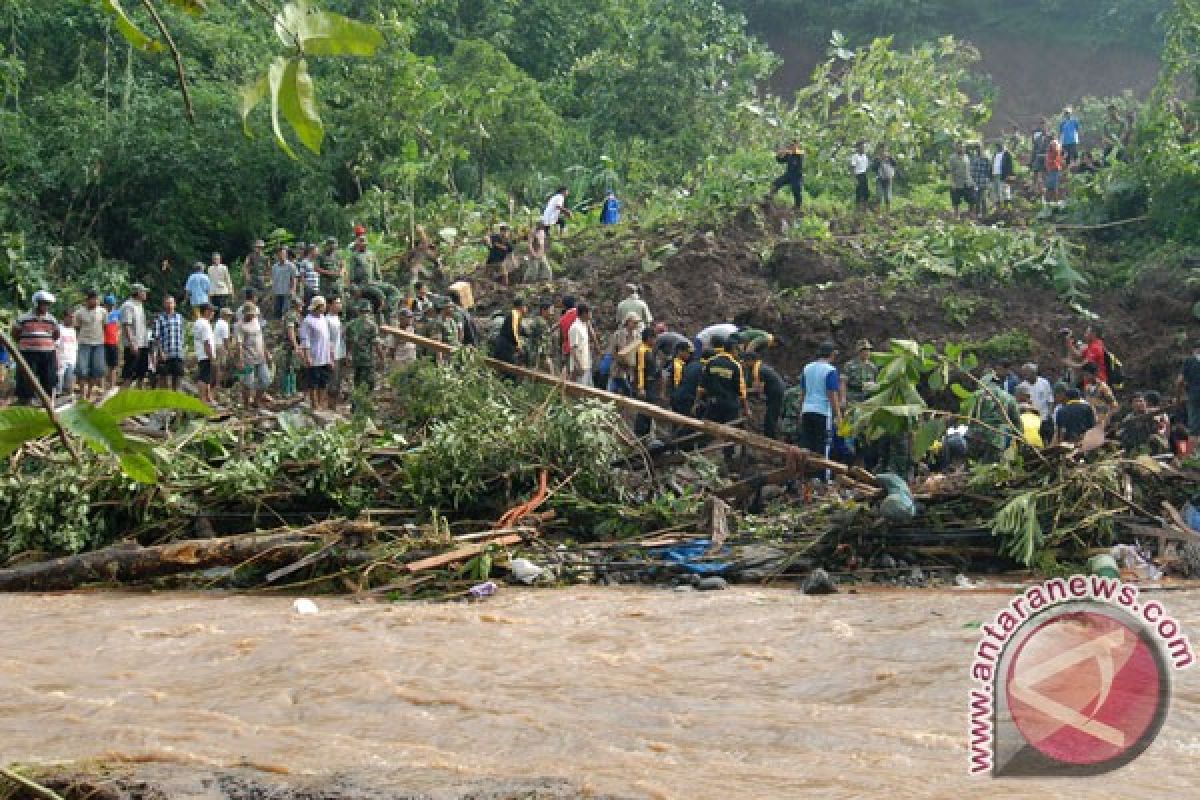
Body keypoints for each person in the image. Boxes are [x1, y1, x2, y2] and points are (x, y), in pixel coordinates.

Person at [797, 341, 843, 466]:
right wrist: (838, 416)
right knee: (823, 447)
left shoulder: (807, 368)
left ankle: (806, 476)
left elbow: (803, 392)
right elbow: (831, 394)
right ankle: (822, 478)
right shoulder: (830, 370)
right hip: (822, 412)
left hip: (807, 410)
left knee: (807, 445)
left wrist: (800, 411)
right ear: (832, 354)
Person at [12, 291, 60, 404]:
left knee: (48, 378)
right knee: (26, 378)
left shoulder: (52, 319)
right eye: (43, 303)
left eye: (47, 304)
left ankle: (47, 403)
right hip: (28, 353)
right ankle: (25, 401)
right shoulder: (23, 318)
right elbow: (15, 333)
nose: (46, 306)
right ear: (37, 303)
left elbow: (56, 335)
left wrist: (45, 342)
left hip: (47, 353)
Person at [967, 369, 1021, 461]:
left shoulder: (976, 395)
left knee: (973, 466)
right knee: (992, 468)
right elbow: (1016, 421)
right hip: (997, 438)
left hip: (976, 437)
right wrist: (1020, 439)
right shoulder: (1008, 398)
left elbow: (969, 417)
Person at [699, 335, 749, 424]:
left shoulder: (711, 362)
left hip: (713, 404)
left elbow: (702, 387)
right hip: (730, 405)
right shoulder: (735, 365)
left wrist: (696, 402)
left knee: (710, 431)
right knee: (731, 433)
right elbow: (741, 391)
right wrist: (746, 409)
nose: (738, 352)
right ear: (733, 349)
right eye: (737, 349)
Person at [343, 299, 382, 409]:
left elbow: (348, 341)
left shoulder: (351, 324)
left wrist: (348, 355)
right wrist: (382, 358)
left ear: (359, 311)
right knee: (369, 383)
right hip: (367, 360)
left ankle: (355, 407)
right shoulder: (372, 325)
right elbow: (376, 344)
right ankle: (363, 406)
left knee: (357, 382)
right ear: (369, 311)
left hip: (356, 359)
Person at [299, 296, 333, 411]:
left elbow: (327, 339)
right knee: (313, 382)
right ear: (319, 307)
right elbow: (305, 340)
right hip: (314, 356)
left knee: (323, 381)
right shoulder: (308, 321)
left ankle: (320, 403)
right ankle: (314, 404)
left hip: (324, 356)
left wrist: (330, 356)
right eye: (323, 306)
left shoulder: (323, 318)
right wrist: (307, 356)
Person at [234, 302, 270, 409]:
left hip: (260, 357)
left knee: (266, 380)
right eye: (250, 314)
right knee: (248, 383)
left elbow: (261, 338)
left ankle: (256, 400)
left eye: (253, 314)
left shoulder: (256, 321)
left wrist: (266, 352)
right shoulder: (239, 326)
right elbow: (239, 344)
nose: (252, 316)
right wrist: (240, 360)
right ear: (245, 314)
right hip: (247, 358)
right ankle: (246, 406)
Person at [744, 351, 787, 440]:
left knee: (770, 418)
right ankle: (770, 436)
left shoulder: (759, 370)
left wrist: (743, 391)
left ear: (751, 361)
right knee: (771, 416)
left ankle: (771, 439)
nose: (744, 364)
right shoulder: (760, 367)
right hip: (775, 392)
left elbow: (758, 389)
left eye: (745, 361)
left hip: (776, 393)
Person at [73, 289, 107, 401]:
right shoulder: (79, 312)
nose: (95, 301)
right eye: (93, 299)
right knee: (82, 370)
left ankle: (89, 394)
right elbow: (77, 328)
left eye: (97, 299)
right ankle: (82, 395)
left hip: (98, 343)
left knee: (96, 370)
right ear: (87, 300)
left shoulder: (103, 311)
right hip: (84, 343)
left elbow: (105, 326)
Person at [119, 283, 150, 387]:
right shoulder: (128, 305)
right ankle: (122, 397)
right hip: (133, 345)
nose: (145, 293)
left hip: (143, 343)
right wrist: (132, 343)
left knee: (141, 372)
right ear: (137, 293)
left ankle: (138, 396)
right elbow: (127, 325)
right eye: (143, 292)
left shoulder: (140, 305)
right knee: (129, 373)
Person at [1015, 363, 1055, 443]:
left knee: (1046, 440)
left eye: (1027, 373)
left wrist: (1049, 414)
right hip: (1031, 420)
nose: (1025, 375)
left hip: (1044, 418)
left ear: (1034, 373)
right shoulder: (1022, 386)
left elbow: (1050, 400)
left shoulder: (1044, 382)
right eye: (1024, 373)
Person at [153, 295, 186, 391]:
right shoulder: (160, 318)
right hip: (165, 353)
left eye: (171, 303)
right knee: (164, 378)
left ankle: (176, 401)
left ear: (175, 304)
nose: (169, 305)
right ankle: (164, 402)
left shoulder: (179, 317)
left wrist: (182, 348)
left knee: (178, 378)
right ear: (164, 305)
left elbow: (181, 333)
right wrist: (160, 352)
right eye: (167, 303)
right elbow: (156, 337)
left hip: (177, 353)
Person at [632, 328, 659, 436]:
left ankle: (646, 433)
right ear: (649, 338)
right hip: (646, 384)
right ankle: (640, 433)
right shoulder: (642, 350)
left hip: (652, 383)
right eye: (654, 338)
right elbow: (640, 369)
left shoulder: (649, 349)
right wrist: (641, 387)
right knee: (644, 409)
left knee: (650, 409)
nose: (655, 341)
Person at [609, 312, 642, 395]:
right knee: (619, 391)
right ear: (628, 322)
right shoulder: (618, 335)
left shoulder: (637, 336)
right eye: (634, 322)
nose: (636, 324)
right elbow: (613, 352)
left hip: (631, 369)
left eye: (637, 323)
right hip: (618, 369)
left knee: (627, 391)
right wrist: (621, 362)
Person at [1177, 338, 1200, 452]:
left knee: (1194, 427)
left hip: (1194, 396)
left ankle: (1192, 456)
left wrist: (1180, 396)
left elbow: (1180, 381)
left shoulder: (1189, 361)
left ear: (1194, 350)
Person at [841, 339, 878, 405]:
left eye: (868, 350)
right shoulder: (849, 365)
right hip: (853, 400)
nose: (867, 352)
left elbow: (876, 382)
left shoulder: (873, 367)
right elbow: (843, 383)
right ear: (859, 351)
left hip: (868, 400)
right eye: (864, 350)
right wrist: (843, 399)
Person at [491, 297, 526, 366]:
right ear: (521, 307)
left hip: (502, 345)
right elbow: (514, 332)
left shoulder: (514, 315)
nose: (526, 309)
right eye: (525, 307)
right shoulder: (515, 315)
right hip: (505, 347)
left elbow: (521, 330)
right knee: (510, 371)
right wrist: (519, 346)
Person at [524, 301, 558, 373]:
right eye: (551, 310)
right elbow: (543, 341)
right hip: (539, 355)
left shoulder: (539, 320)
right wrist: (545, 357)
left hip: (536, 354)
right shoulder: (541, 322)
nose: (552, 313)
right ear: (543, 310)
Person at [193, 303, 216, 404]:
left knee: (207, 377)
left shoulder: (199, 322)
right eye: (211, 311)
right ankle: (202, 399)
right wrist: (211, 357)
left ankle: (208, 397)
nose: (213, 313)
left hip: (201, 354)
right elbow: (207, 342)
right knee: (203, 377)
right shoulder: (204, 324)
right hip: (205, 354)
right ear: (206, 311)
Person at [770, 140, 805, 208]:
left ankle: (797, 207)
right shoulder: (789, 155)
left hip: (797, 176)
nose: (792, 146)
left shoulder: (800, 154)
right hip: (788, 174)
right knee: (776, 183)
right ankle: (769, 198)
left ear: (797, 145)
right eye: (791, 145)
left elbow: (799, 152)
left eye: (793, 145)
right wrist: (778, 154)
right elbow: (780, 161)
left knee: (796, 191)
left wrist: (786, 151)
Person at [568, 303, 593, 386]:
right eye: (590, 312)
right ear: (584, 313)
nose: (591, 315)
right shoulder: (575, 328)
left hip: (586, 365)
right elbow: (573, 350)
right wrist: (579, 367)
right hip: (580, 368)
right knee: (579, 395)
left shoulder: (584, 325)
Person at [947, 141, 973, 219]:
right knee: (956, 201)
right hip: (957, 182)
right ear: (956, 148)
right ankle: (956, 216)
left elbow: (969, 170)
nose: (961, 148)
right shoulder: (952, 158)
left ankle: (970, 215)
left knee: (972, 199)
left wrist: (972, 181)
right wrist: (952, 182)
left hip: (967, 182)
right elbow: (950, 171)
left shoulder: (967, 157)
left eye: (962, 147)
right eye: (959, 147)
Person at [270, 246, 297, 321]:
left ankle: (286, 329)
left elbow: (294, 278)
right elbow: (273, 280)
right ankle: (278, 328)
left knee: (286, 312)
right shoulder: (274, 267)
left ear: (286, 255)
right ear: (277, 255)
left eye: (283, 254)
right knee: (277, 312)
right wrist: (272, 292)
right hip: (277, 292)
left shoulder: (291, 265)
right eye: (279, 254)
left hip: (287, 293)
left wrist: (293, 290)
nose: (281, 255)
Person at [55, 310, 77, 399]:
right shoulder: (59, 329)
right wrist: (57, 360)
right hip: (61, 360)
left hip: (71, 360)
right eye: (70, 317)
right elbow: (55, 346)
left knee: (69, 385)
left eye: (73, 317)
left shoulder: (73, 330)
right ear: (64, 317)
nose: (72, 319)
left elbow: (75, 346)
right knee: (58, 387)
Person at [326, 296, 345, 403]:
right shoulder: (327, 319)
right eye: (337, 303)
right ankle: (328, 403)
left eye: (340, 303)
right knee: (332, 380)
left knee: (337, 380)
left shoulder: (337, 318)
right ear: (330, 305)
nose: (339, 305)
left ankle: (334, 403)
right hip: (332, 355)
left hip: (340, 353)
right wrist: (330, 356)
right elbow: (327, 340)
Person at [102, 294, 121, 390]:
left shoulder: (118, 313)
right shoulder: (101, 313)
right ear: (105, 304)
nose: (111, 306)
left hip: (114, 342)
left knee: (113, 366)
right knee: (104, 365)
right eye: (109, 304)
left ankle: (112, 387)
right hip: (103, 342)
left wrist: (118, 335)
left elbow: (121, 325)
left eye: (112, 304)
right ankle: (104, 387)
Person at [969, 143, 992, 217]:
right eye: (976, 149)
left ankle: (982, 214)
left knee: (981, 198)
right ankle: (980, 214)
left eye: (978, 148)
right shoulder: (973, 158)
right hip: (975, 181)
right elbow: (971, 170)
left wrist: (988, 180)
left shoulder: (986, 159)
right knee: (978, 198)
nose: (977, 150)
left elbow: (989, 170)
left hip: (983, 181)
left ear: (981, 149)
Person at [991, 139, 1014, 210]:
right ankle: (998, 208)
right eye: (997, 145)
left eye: (999, 145)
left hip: (1003, 175)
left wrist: (1009, 176)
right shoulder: (995, 154)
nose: (998, 147)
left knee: (1005, 191)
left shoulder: (1007, 154)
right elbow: (993, 164)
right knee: (996, 191)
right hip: (995, 174)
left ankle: (1006, 208)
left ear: (1003, 145)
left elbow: (1010, 166)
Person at [874, 145, 897, 212]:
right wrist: (879, 160)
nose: (883, 152)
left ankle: (888, 213)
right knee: (879, 196)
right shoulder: (877, 159)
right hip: (879, 179)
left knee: (888, 197)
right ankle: (878, 213)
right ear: (879, 151)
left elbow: (895, 164)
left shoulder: (890, 158)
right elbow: (873, 168)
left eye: (885, 150)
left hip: (888, 179)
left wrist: (890, 157)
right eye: (882, 151)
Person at [1044, 130, 1065, 201]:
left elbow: (1056, 153)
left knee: (1052, 187)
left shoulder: (1053, 143)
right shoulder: (1055, 143)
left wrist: (1053, 160)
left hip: (1054, 167)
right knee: (1052, 186)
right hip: (1053, 167)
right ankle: (1053, 201)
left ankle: (1054, 201)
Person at [1029, 118, 1049, 194]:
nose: (1043, 127)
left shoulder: (1051, 137)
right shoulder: (1038, 138)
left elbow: (1054, 149)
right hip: (1038, 157)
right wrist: (1031, 161)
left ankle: (1045, 187)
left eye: (1044, 125)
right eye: (1041, 125)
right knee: (1035, 169)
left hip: (1047, 157)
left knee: (1045, 173)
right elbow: (1034, 151)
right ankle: (1034, 187)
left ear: (1047, 126)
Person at [850, 140, 870, 209]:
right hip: (858, 175)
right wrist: (854, 178)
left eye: (863, 147)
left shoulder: (865, 156)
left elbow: (866, 167)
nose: (863, 148)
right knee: (859, 193)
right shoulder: (855, 156)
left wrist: (866, 176)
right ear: (858, 148)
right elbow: (852, 167)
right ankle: (858, 209)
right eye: (861, 146)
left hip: (864, 175)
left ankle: (865, 209)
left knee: (866, 193)